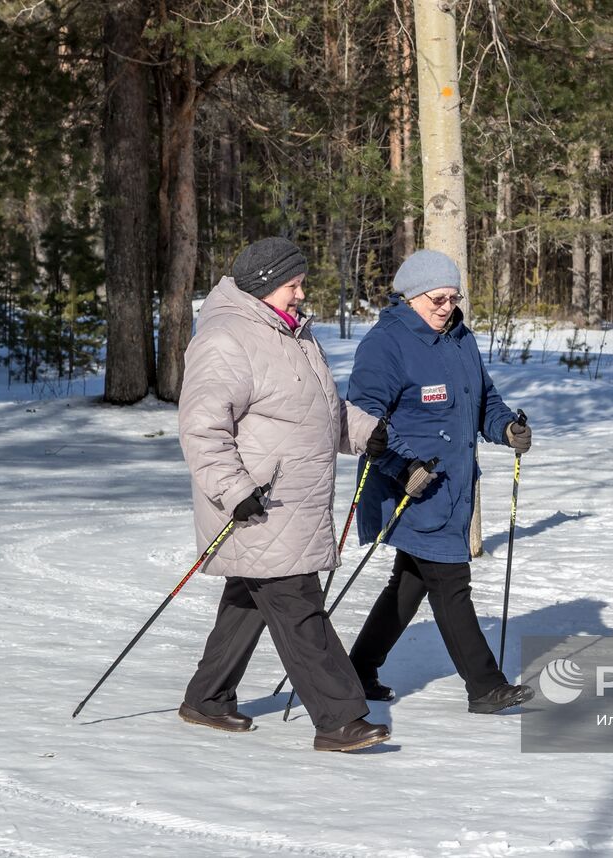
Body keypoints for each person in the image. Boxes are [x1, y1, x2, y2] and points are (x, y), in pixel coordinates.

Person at [177, 236, 394, 752]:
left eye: (300, 283)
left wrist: (363, 432)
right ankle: (340, 718)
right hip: (258, 504)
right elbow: (202, 428)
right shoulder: (226, 339)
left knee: (249, 601)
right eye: (291, 285)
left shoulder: (291, 334)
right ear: (261, 286)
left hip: (293, 498)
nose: (300, 293)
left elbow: (316, 410)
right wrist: (234, 491)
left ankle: (207, 698)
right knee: (299, 607)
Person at [346, 249, 535, 715]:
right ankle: (486, 686)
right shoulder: (385, 344)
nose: (446, 306)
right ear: (409, 296)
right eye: (436, 298)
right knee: (451, 582)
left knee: (410, 582)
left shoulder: (459, 338)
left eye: (453, 298)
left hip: (453, 488)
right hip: (409, 489)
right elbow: (364, 420)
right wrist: (403, 467)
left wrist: (506, 426)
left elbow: (483, 398)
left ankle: (357, 671)